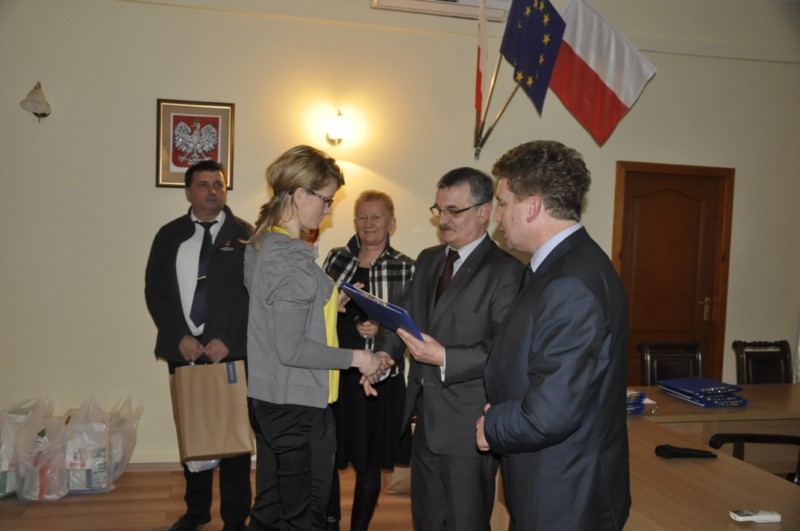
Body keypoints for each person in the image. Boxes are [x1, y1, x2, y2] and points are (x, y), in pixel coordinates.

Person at [476, 140, 631, 530]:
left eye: (503, 203)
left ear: (531, 207)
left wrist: (492, 426)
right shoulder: (560, 266)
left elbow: (551, 412)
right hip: (551, 484)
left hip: (564, 495)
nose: (497, 217)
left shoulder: (570, 282)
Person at [244, 145, 393, 531]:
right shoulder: (290, 256)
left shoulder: (264, 243)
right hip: (295, 404)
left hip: (271, 398)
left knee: (271, 508)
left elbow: (273, 312)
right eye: (326, 200)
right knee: (303, 517)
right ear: (299, 194)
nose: (328, 211)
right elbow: (291, 347)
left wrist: (328, 301)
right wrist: (360, 359)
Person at [374, 167, 525, 531]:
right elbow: (403, 316)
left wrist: (444, 357)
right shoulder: (429, 259)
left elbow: (504, 352)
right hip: (424, 419)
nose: (442, 219)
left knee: (465, 522)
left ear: (484, 212)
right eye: (439, 210)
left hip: (469, 427)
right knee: (426, 520)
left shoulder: (506, 271)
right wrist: (383, 354)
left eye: (453, 211)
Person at [144, 159, 253, 531]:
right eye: (203, 185)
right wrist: (180, 336)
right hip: (184, 350)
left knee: (233, 437)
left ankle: (235, 518)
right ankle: (196, 511)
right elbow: (155, 292)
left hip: (231, 352)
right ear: (189, 192)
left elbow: (252, 294)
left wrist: (228, 340)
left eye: (218, 185)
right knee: (194, 431)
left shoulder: (245, 235)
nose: (212, 192)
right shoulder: (169, 235)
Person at [322, 191, 415, 531]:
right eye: (362, 217)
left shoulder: (407, 266)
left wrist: (382, 329)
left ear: (392, 223)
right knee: (327, 455)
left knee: (369, 461)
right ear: (354, 222)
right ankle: (330, 522)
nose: (368, 223)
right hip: (335, 372)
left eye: (376, 217)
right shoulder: (335, 258)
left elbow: (412, 325)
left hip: (378, 378)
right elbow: (318, 310)